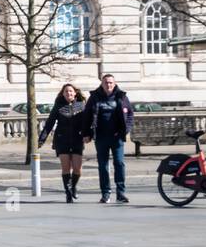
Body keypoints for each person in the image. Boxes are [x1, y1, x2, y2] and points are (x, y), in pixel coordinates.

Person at [83, 73, 134, 203]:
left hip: (117, 137)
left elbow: (130, 116)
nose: (108, 85)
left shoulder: (121, 96)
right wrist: (86, 133)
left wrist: (125, 130)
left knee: (119, 163)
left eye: (111, 82)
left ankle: (121, 193)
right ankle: (105, 193)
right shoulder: (94, 97)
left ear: (115, 83)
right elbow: (87, 116)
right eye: (106, 82)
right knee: (103, 166)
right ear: (102, 84)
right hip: (101, 137)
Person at [38, 83, 86, 202]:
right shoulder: (58, 106)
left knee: (77, 169)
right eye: (66, 91)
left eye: (70, 91)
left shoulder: (81, 106)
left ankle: (73, 187)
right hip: (62, 139)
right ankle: (68, 193)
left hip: (77, 139)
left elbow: (88, 122)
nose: (68, 93)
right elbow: (49, 123)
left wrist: (89, 135)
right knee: (65, 168)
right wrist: (42, 139)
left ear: (75, 93)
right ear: (63, 94)